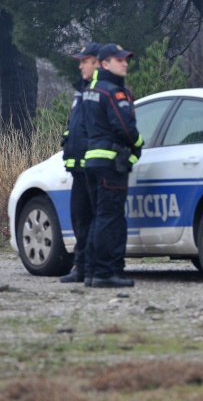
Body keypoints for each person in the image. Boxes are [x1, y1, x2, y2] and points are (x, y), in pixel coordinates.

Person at [83, 44, 143, 288]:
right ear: (105, 64)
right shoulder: (114, 93)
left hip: (93, 161)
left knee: (99, 218)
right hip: (111, 164)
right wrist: (139, 145)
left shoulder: (91, 91)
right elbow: (125, 128)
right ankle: (106, 273)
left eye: (125, 59)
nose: (125, 63)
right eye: (119, 60)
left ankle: (92, 271)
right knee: (111, 219)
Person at [58, 42, 101, 283]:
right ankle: (81, 267)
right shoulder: (81, 90)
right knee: (79, 217)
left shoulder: (100, 90)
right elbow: (75, 125)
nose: (80, 65)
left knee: (94, 219)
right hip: (77, 167)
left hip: (93, 167)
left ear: (97, 63)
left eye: (85, 61)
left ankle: (93, 268)